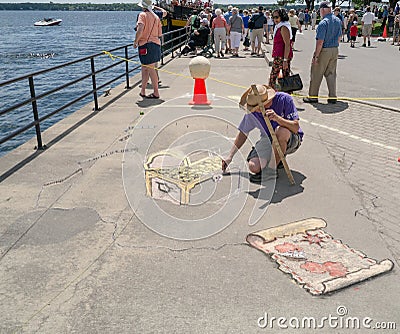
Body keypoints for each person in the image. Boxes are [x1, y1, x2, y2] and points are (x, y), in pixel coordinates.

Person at [222, 85, 303, 183]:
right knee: (254, 166)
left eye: (258, 107)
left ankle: (271, 170)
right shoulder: (254, 112)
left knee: (281, 131)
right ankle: (277, 158)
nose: (257, 110)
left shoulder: (284, 99)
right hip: (268, 138)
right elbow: (243, 133)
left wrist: (278, 118)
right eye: (254, 108)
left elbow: (295, 127)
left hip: (291, 137)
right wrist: (230, 157)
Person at [303, 1, 342, 104]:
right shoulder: (337, 20)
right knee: (331, 74)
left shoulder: (323, 22)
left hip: (324, 49)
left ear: (323, 10)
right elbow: (339, 37)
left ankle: (313, 96)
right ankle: (332, 97)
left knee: (316, 73)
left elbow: (320, 42)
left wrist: (316, 56)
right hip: (335, 49)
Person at [134, 0, 162, 99]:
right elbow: (159, 34)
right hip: (156, 44)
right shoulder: (156, 17)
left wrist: (135, 41)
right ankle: (143, 91)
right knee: (146, 68)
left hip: (145, 45)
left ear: (143, 7)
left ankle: (156, 92)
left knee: (150, 69)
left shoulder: (142, 15)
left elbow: (140, 29)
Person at [268, 8, 293, 90]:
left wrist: (285, 60)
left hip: (282, 56)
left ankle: (279, 95)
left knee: (274, 77)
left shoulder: (283, 27)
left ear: (282, 17)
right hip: (279, 55)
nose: (275, 19)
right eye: (273, 17)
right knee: (279, 77)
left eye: (277, 17)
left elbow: (287, 44)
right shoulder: (278, 26)